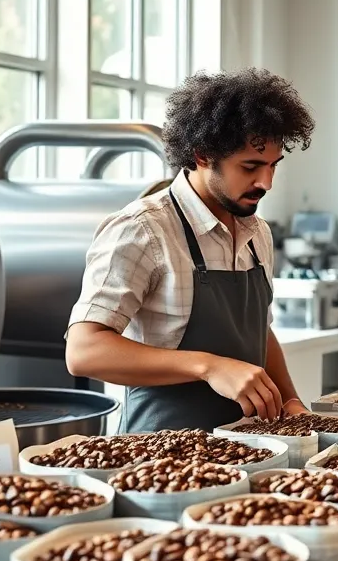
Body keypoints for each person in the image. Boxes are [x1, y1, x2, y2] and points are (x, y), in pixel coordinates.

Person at [65, 68, 316, 432]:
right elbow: (83, 351)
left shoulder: (256, 231)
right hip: (159, 455)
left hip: (250, 450)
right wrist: (209, 366)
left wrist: (290, 399)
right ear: (201, 155)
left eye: (273, 166)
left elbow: (260, 330)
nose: (267, 183)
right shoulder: (142, 230)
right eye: (250, 167)